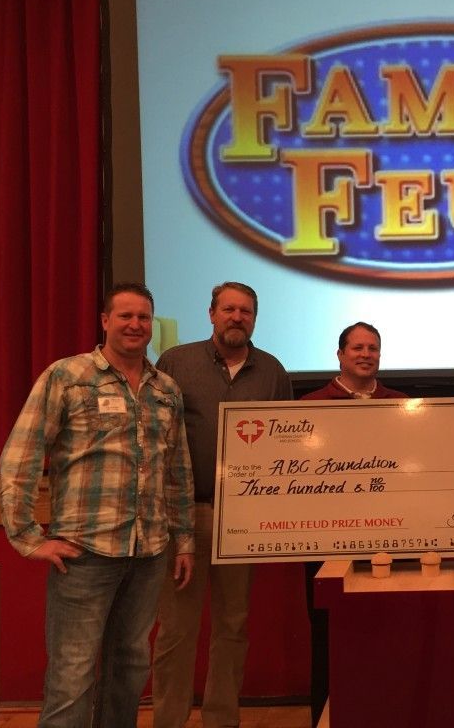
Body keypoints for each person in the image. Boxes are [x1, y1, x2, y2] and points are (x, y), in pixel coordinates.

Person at [0, 282, 195, 728]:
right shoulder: (67, 376)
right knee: (72, 674)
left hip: (148, 553)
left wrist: (183, 540)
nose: (135, 324)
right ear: (104, 321)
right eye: (124, 315)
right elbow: (21, 455)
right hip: (84, 552)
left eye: (143, 317)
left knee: (129, 669)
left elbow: (178, 470)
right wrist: (28, 538)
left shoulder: (166, 389)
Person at [152, 282, 292, 728]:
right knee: (176, 629)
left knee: (233, 625)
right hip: (186, 515)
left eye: (246, 311)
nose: (237, 317)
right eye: (228, 309)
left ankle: (221, 719)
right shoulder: (176, 362)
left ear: (255, 318)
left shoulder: (272, 371)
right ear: (211, 313)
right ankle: (168, 720)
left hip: (244, 518)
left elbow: (288, 445)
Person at [300, 322, 407, 726]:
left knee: (388, 631)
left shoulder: (403, 405)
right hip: (324, 542)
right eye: (358, 348)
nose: (366, 354)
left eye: (373, 348)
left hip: (391, 541)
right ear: (340, 354)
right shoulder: (310, 406)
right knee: (327, 634)